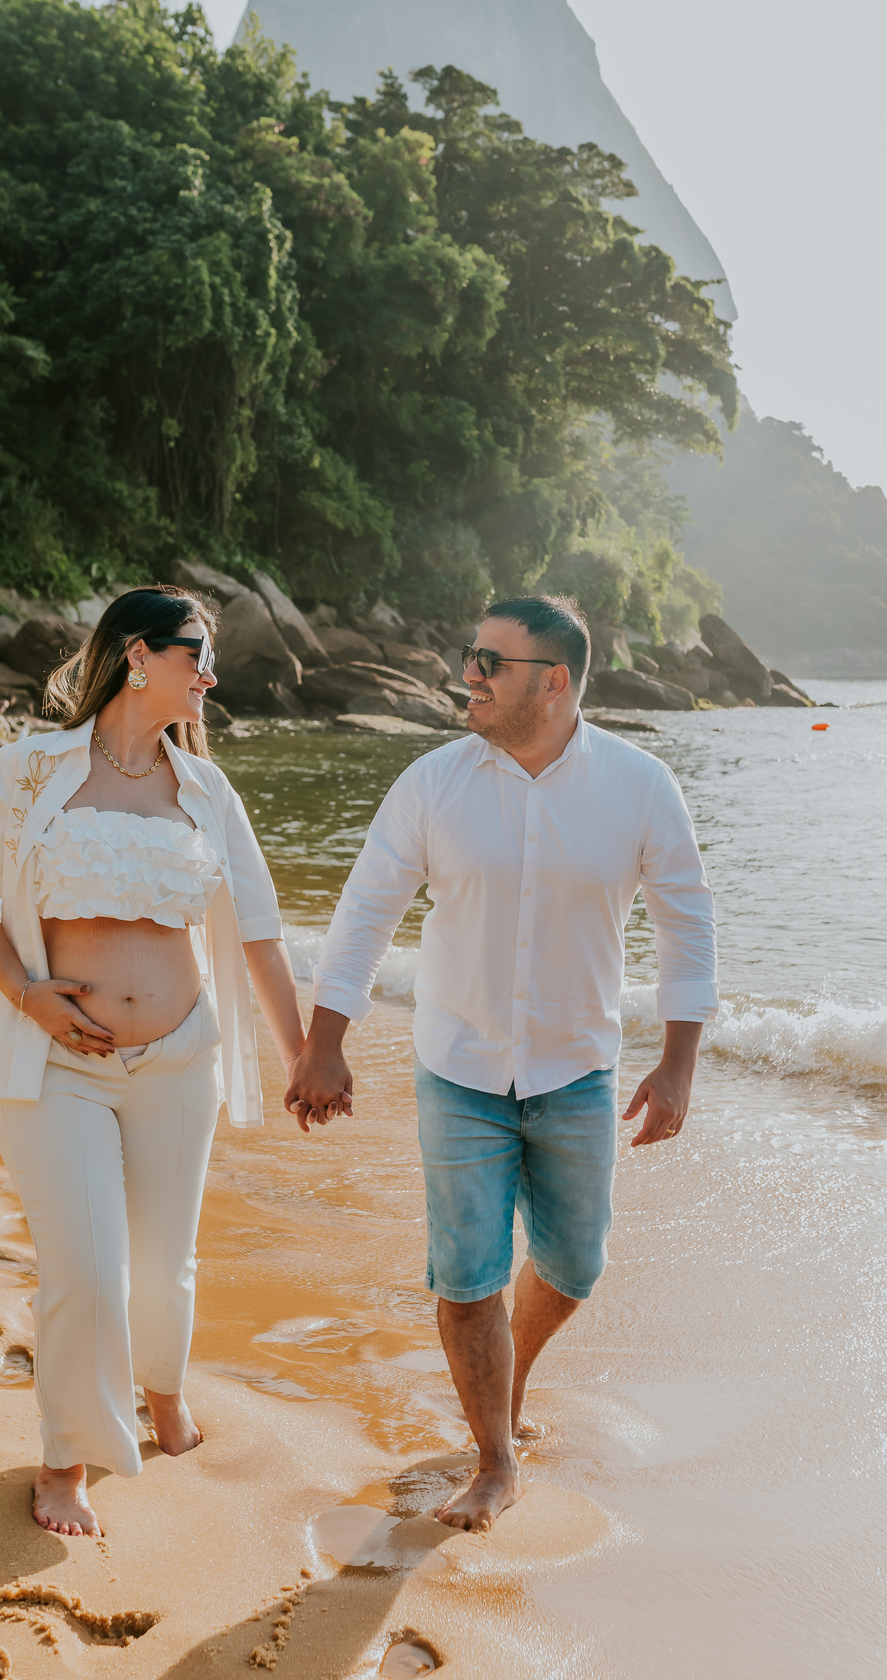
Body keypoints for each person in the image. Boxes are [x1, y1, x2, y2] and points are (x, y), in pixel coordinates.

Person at [285, 595, 718, 1532]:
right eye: (470, 654)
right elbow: (365, 912)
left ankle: (507, 1385)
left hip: (578, 1070)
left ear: (553, 681)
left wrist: (679, 1062)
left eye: (490, 660)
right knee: (467, 1275)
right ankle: (494, 1457)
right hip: (459, 1067)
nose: (468, 673)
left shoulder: (641, 786)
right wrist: (326, 1041)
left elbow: (688, 924)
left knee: (572, 1265)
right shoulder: (433, 783)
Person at [0, 585, 306, 1538]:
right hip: (60, 1063)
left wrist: (305, 1054)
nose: (212, 674)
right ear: (139, 655)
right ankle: (67, 1458)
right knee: (89, 1270)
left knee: (162, 1263)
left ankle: (163, 1389)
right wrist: (28, 992)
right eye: (199, 654)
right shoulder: (30, 769)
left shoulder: (206, 789)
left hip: (180, 1059)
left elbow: (260, 933)